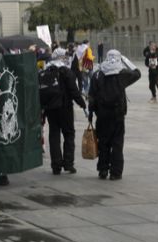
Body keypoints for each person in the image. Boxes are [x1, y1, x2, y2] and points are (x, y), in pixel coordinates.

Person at [88, 50, 141, 181]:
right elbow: (137, 73)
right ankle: (116, 172)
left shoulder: (97, 74)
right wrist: (125, 60)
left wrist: (90, 113)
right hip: (117, 114)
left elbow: (91, 96)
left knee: (103, 143)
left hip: (101, 114)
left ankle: (103, 169)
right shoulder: (121, 74)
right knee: (117, 143)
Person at [39, 48, 86, 175]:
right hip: (65, 107)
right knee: (69, 134)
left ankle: (56, 165)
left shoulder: (46, 70)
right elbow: (74, 90)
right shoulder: (66, 71)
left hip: (50, 108)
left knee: (54, 135)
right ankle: (68, 163)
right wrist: (82, 104)